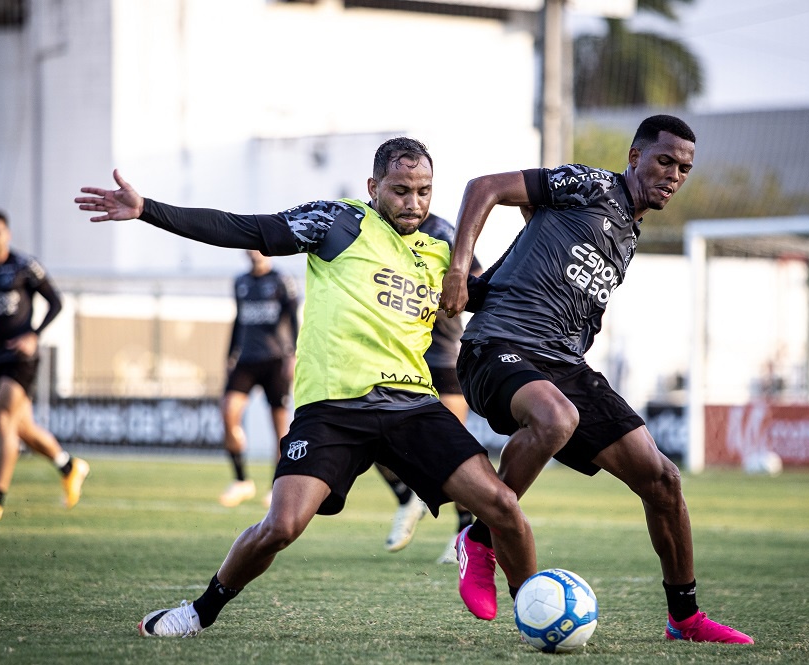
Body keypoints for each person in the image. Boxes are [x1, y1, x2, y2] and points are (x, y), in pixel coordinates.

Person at [75, 137, 537, 637]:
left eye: (423, 191)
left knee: (503, 507)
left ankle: (536, 607)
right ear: (373, 186)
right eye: (401, 189)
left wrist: (541, 232)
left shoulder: (444, 248)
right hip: (333, 409)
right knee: (281, 527)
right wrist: (148, 210)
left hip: (411, 405)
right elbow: (243, 228)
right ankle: (199, 611)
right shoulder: (337, 222)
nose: (413, 202)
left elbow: (499, 300)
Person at [438, 115, 754, 644]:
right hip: (497, 346)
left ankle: (685, 618)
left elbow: (537, 247)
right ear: (634, 157)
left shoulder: (629, 233)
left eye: (684, 168)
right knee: (557, 417)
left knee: (663, 481)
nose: (674, 174)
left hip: (563, 363)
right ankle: (482, 537)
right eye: (664, 161)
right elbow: (486, 187)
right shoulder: (590, 184)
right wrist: (459, 267)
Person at [0, 210, 90, 521]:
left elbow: (56, 302)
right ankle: (69, 466)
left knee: (2, 419)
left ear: (7, 234)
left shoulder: (23, 266)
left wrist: (34, 335)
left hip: (22, 357)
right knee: (23, 428)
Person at [378, 214, 481, 563]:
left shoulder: (442, 232)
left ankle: (463, 533)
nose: (410, 201)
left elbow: (477, 278)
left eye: (420, 190)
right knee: (373, 438)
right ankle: (406, 498)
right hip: (396, 355)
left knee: (455, 452)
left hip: (441, 355)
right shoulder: (375, 228)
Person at [219, 249, 299, 508]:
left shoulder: (281, 280)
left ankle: (276, 486)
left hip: (275, 360)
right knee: (228, 411)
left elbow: (294, 318)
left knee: (279, 427)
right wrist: (230, 355)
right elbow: (238, 320)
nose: (254, 252)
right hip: (246, 360)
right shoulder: (240, 281)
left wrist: (294, 355)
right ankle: (241, 480)